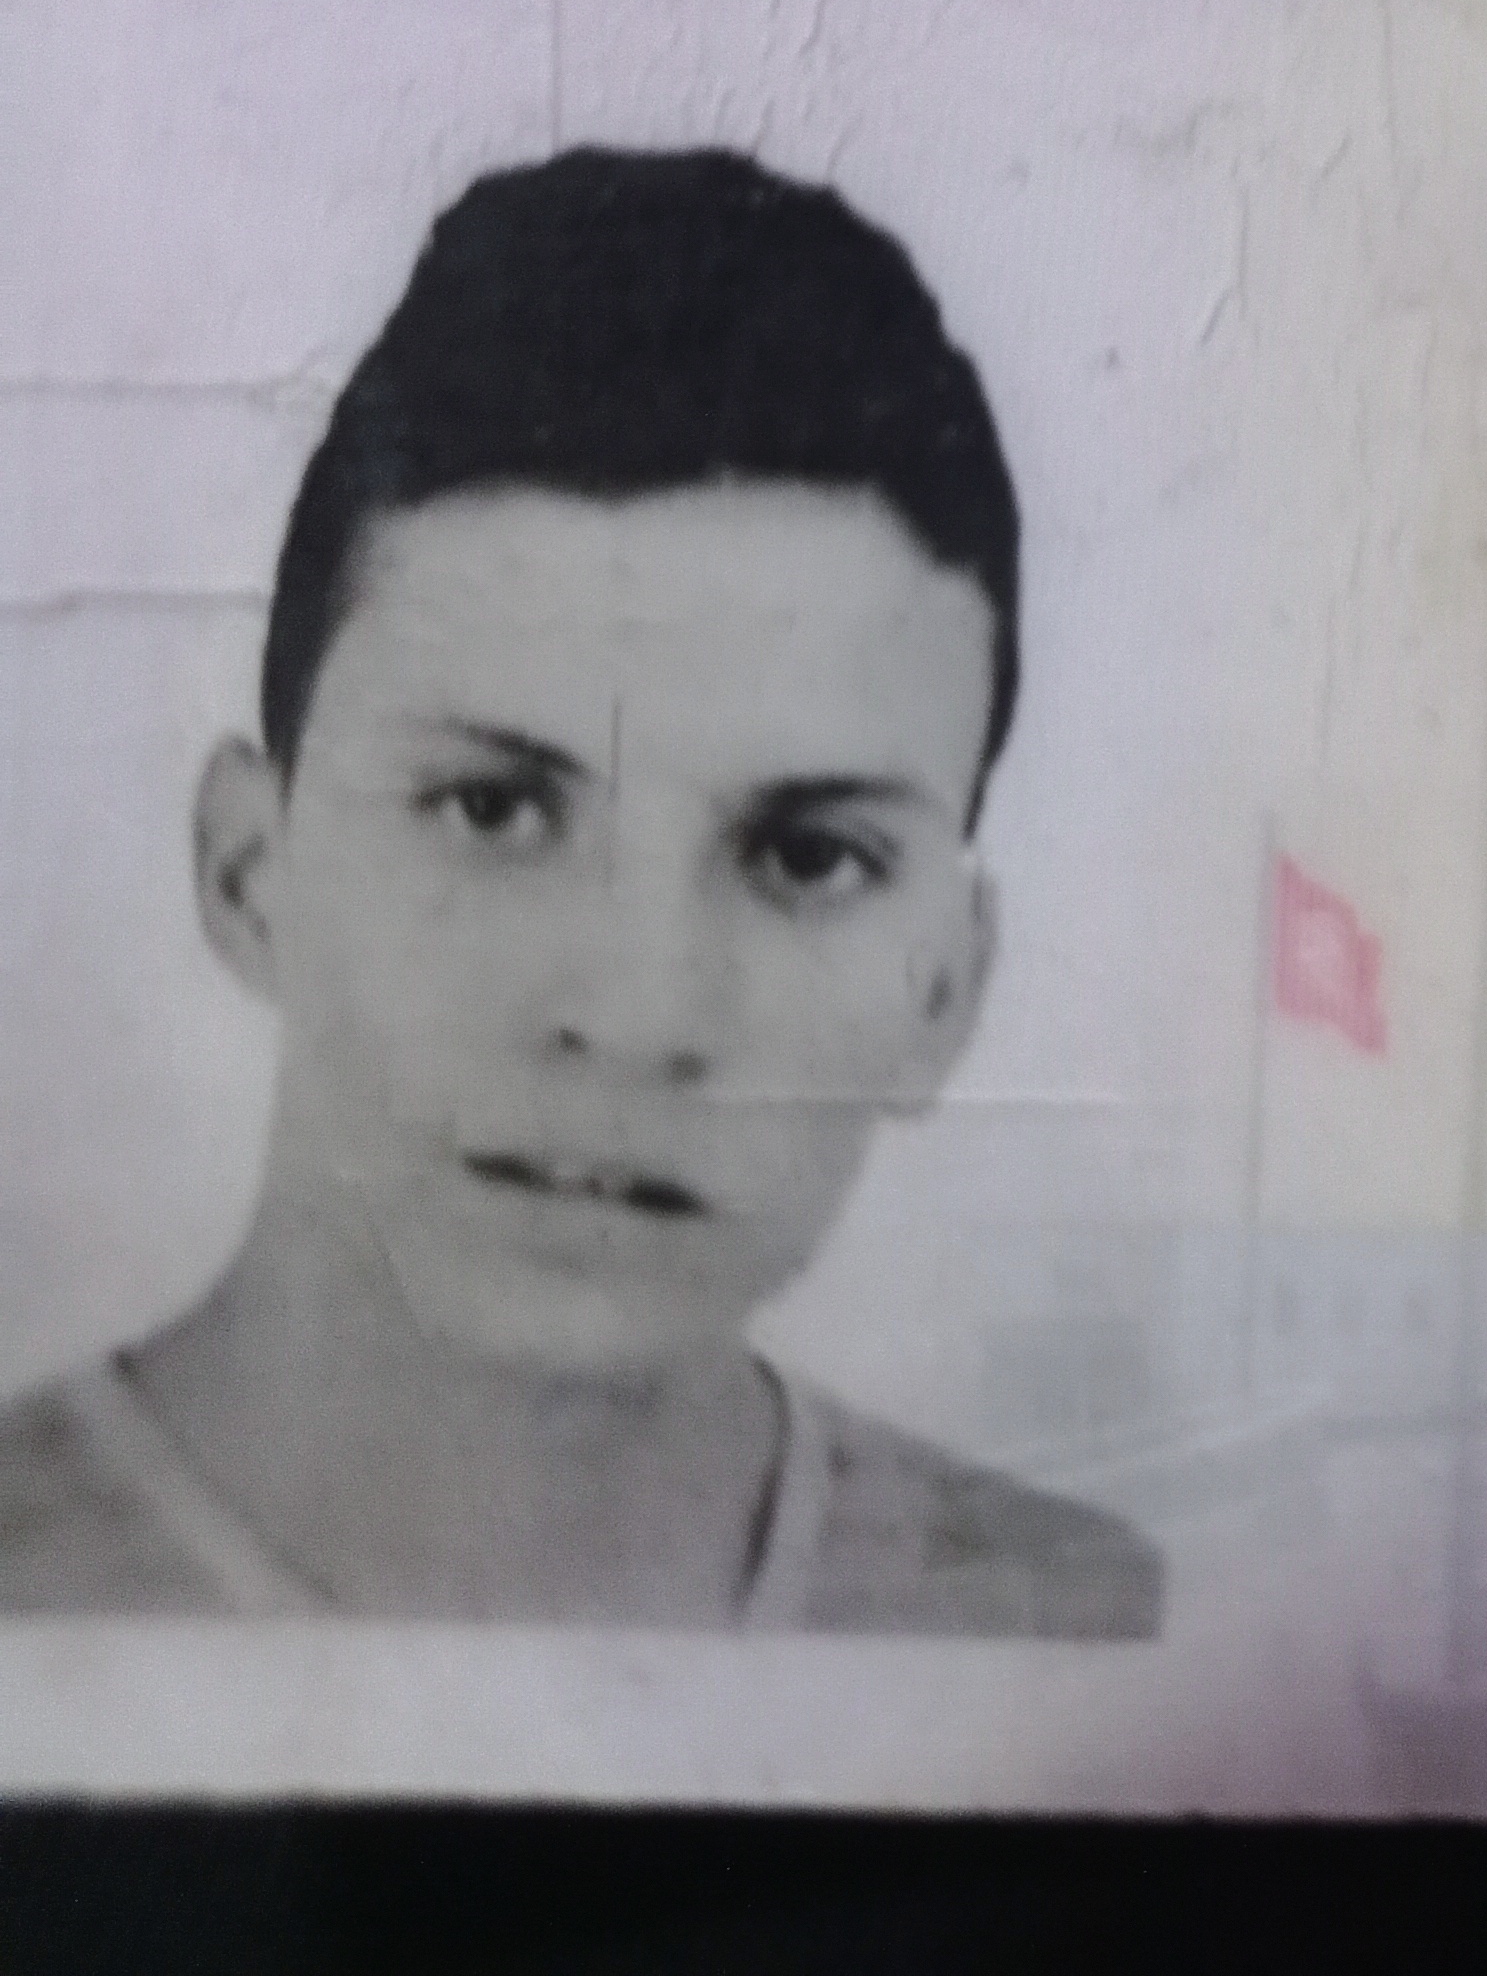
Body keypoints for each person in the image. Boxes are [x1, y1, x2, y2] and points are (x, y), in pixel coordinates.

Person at [0, 147, 1159, 1637]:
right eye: (491, 809)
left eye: (808, 858)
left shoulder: (1089, 1636)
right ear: (248, 873)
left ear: (946, 990)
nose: (638, 1013)